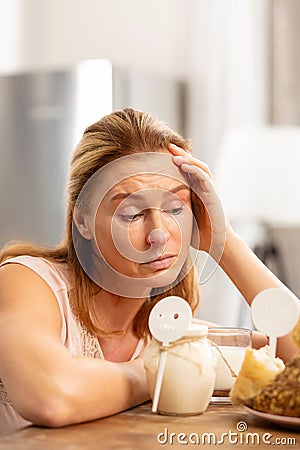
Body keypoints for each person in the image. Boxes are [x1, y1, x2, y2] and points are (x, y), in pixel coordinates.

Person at [0, 108, 298, 432]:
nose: (158, 234)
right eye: (131, 214)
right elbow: (51, 396)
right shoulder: (25, 282)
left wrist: (225, 242)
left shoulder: (170, 331)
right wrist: (160, 370)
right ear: (82, 220)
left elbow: (292, 357)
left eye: (174, 208)